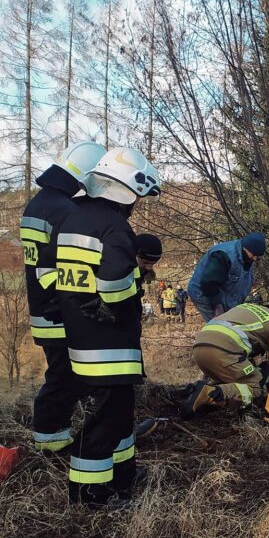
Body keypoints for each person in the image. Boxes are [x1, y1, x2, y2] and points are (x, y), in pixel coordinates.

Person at [55, 146, 161, 505]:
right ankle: (90, 494)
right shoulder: (114, 226)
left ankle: (122, 474)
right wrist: (126, 297)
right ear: (125, 190)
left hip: (82, 336)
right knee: (104, 419)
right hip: (108, 344)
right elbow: (115, 284)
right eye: (137, 196)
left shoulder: (75, 219)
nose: (136, 204)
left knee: (118, 414)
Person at [20, 141, 106, 453]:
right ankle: (50, 440)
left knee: (63, 375)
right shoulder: (64, 210)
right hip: (61, 311)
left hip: (44, 308)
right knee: (64, 378)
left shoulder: (39, 204)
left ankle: (56, 435)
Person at [183, 298, 269, 415]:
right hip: (224, 350)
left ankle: (192, 393)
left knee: (230, 381)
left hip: (199, 347)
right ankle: (209, 394)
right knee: (256, 388)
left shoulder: (248, 307)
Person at [187, 233, 266, 322]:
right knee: (221, 326)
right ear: (245, 248)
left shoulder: (247, 257)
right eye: (254, 255)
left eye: (257, 256)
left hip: (225, 297)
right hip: (205, 294)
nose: (255, 258)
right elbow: (209, 282)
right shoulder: (224, 255)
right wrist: (218, 307)